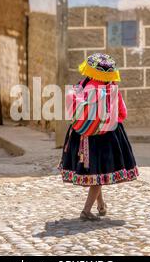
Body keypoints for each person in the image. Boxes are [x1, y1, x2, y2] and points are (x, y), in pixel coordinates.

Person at [58, 53, 139, 221]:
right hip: (104, 137)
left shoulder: (81, 85)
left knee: (97, 172)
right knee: (99, 171)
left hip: (79, 135)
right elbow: (122, 114)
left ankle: (101, 205)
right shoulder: (110, 90)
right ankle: (86, 211)